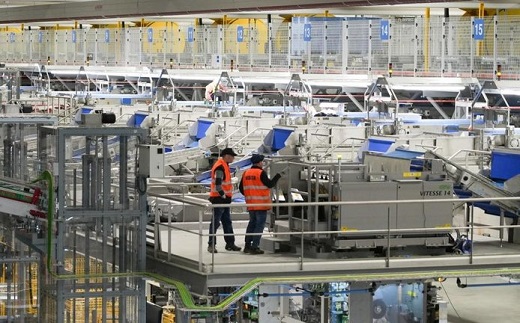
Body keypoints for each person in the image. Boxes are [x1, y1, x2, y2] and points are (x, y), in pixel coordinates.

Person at [239, 154, 282, 254]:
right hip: (261, 204)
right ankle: (255, 247)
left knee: (251, 224)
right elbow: (270, 184)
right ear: (259, 163)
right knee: (259, 226)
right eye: (262, 162)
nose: (262, 163)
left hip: (251, 204)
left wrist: (250, 196)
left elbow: (241, 188)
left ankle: (247, 246)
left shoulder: (246, 173)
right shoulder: (260, 173)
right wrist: (277, 176)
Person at [208, 147, 241, 253]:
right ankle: (211, 245)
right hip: (219, 199)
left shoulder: (224, 165)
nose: (233, 159)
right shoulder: (220, 167)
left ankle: (230, 243)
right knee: (215, 222)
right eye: (232, 156)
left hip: (224, 199)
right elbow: (218, 185)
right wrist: (223, 195)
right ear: (227, 156)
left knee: (227, 222)